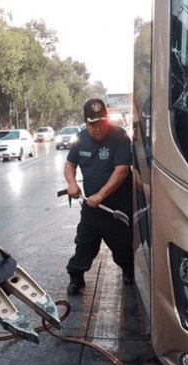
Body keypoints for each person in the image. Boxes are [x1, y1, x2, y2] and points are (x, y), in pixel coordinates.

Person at [64, 98, 134, 295]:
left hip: (116, 208)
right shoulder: (80, 139)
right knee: (84, 245)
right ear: (85, 122)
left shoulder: (119, 137)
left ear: (107, 119)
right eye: (92, 124)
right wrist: (72, 183)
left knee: (123, 248)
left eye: (101, 123)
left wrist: (101, 195)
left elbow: (122, 170)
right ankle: (76, 277)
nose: (97, 128)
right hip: (92, 208)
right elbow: (70, 165)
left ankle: (129, 270)